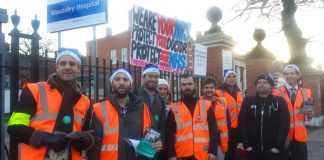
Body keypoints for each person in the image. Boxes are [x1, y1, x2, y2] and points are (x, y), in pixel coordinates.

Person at [7, 48, 94, 160]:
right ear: (56, 67)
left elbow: (87, 133)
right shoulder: (35, 91)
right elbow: (14, 127)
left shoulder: (85, 101)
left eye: (72, 64)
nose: (67, 67)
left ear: (78, 69)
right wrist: (43, 137)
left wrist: (86, 141)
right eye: (63, 63)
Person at [92, 68, 162, 159]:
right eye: (117, 79)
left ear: (130, 84)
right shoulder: (99, 108)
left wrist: (157, 144)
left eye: (125, 79)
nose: (121, 82)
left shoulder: (142, 107)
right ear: (112, 83)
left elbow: (151, 134)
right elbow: (94, 145)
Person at [165, 73, 218, 160]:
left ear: (195, 85)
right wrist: (171, 155)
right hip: (182, 155)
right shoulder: (174, 108)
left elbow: (214, 130)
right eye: (184, 85)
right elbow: (169, 134)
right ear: (180, 87)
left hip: (203, 154)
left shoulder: (206, 105)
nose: (187, 87)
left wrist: (212, 151)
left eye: (190, 84)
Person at [239, 74, 290, 160]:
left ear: (271, 86)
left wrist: (278, 146)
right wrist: (246, 144)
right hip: (252, 150)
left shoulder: (279, 102)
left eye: (265, 82)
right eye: (259, 82)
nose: (261, 84)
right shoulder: (248, 101)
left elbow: (284, 124)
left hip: (273, 150)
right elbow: (242, 123)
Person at [272, 64, 313, 160]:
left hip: (300, 137)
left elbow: (307, 117)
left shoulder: (307, 92)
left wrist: (309, 116)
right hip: (283, 137)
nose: (289, 76)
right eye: (287, 74)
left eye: (292, 73)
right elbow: (275, 117)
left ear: (298, 75)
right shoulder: (276, 92)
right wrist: (283, 135)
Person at [133, 64, 167, 158]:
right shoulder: (133, 95)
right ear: (143, 77)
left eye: (156, 77)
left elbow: (162, 126)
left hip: (152, 149)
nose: (153, 79)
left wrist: (161, 141)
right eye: (150, 76)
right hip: (135, 148)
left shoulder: (160, 100)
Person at [216, 69, 244, 160]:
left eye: (234, 76)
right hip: (226, 129)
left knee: (234, 153)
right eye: (229, 77)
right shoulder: (219, 93)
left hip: (237, 128)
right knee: (226, 153)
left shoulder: (239, 92)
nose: (232, 79)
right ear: (225, 79)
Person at [201, 77, 229, 160]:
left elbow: (228, 123)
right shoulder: (198, 103)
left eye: (211, 88)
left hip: (220, 144)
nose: (209, 90)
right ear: (202, 89)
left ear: (215, 89)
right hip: (203, 143)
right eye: (206, 88)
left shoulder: (222, 103)